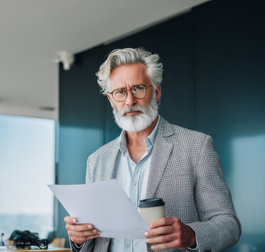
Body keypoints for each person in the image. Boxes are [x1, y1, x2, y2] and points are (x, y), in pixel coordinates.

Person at [64, 48, 241, 252]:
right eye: (120, 92)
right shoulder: (96, 160)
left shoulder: (196, 146)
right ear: (111, 100)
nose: (130, 101)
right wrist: (79, 238)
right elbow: (93, 238)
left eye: (138, 88)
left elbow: (228, 225)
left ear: (156, 92)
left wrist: (191, 235)